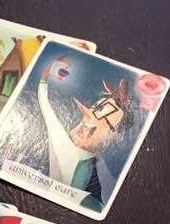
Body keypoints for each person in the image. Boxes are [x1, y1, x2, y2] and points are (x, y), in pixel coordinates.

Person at [38, 56, 135, 212]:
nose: (88, 118)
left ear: (113, 138)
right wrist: (50, 65)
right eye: (95, 110)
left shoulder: (103, 178)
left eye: (104, 121)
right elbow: (43, 99)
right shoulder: (61, 142)